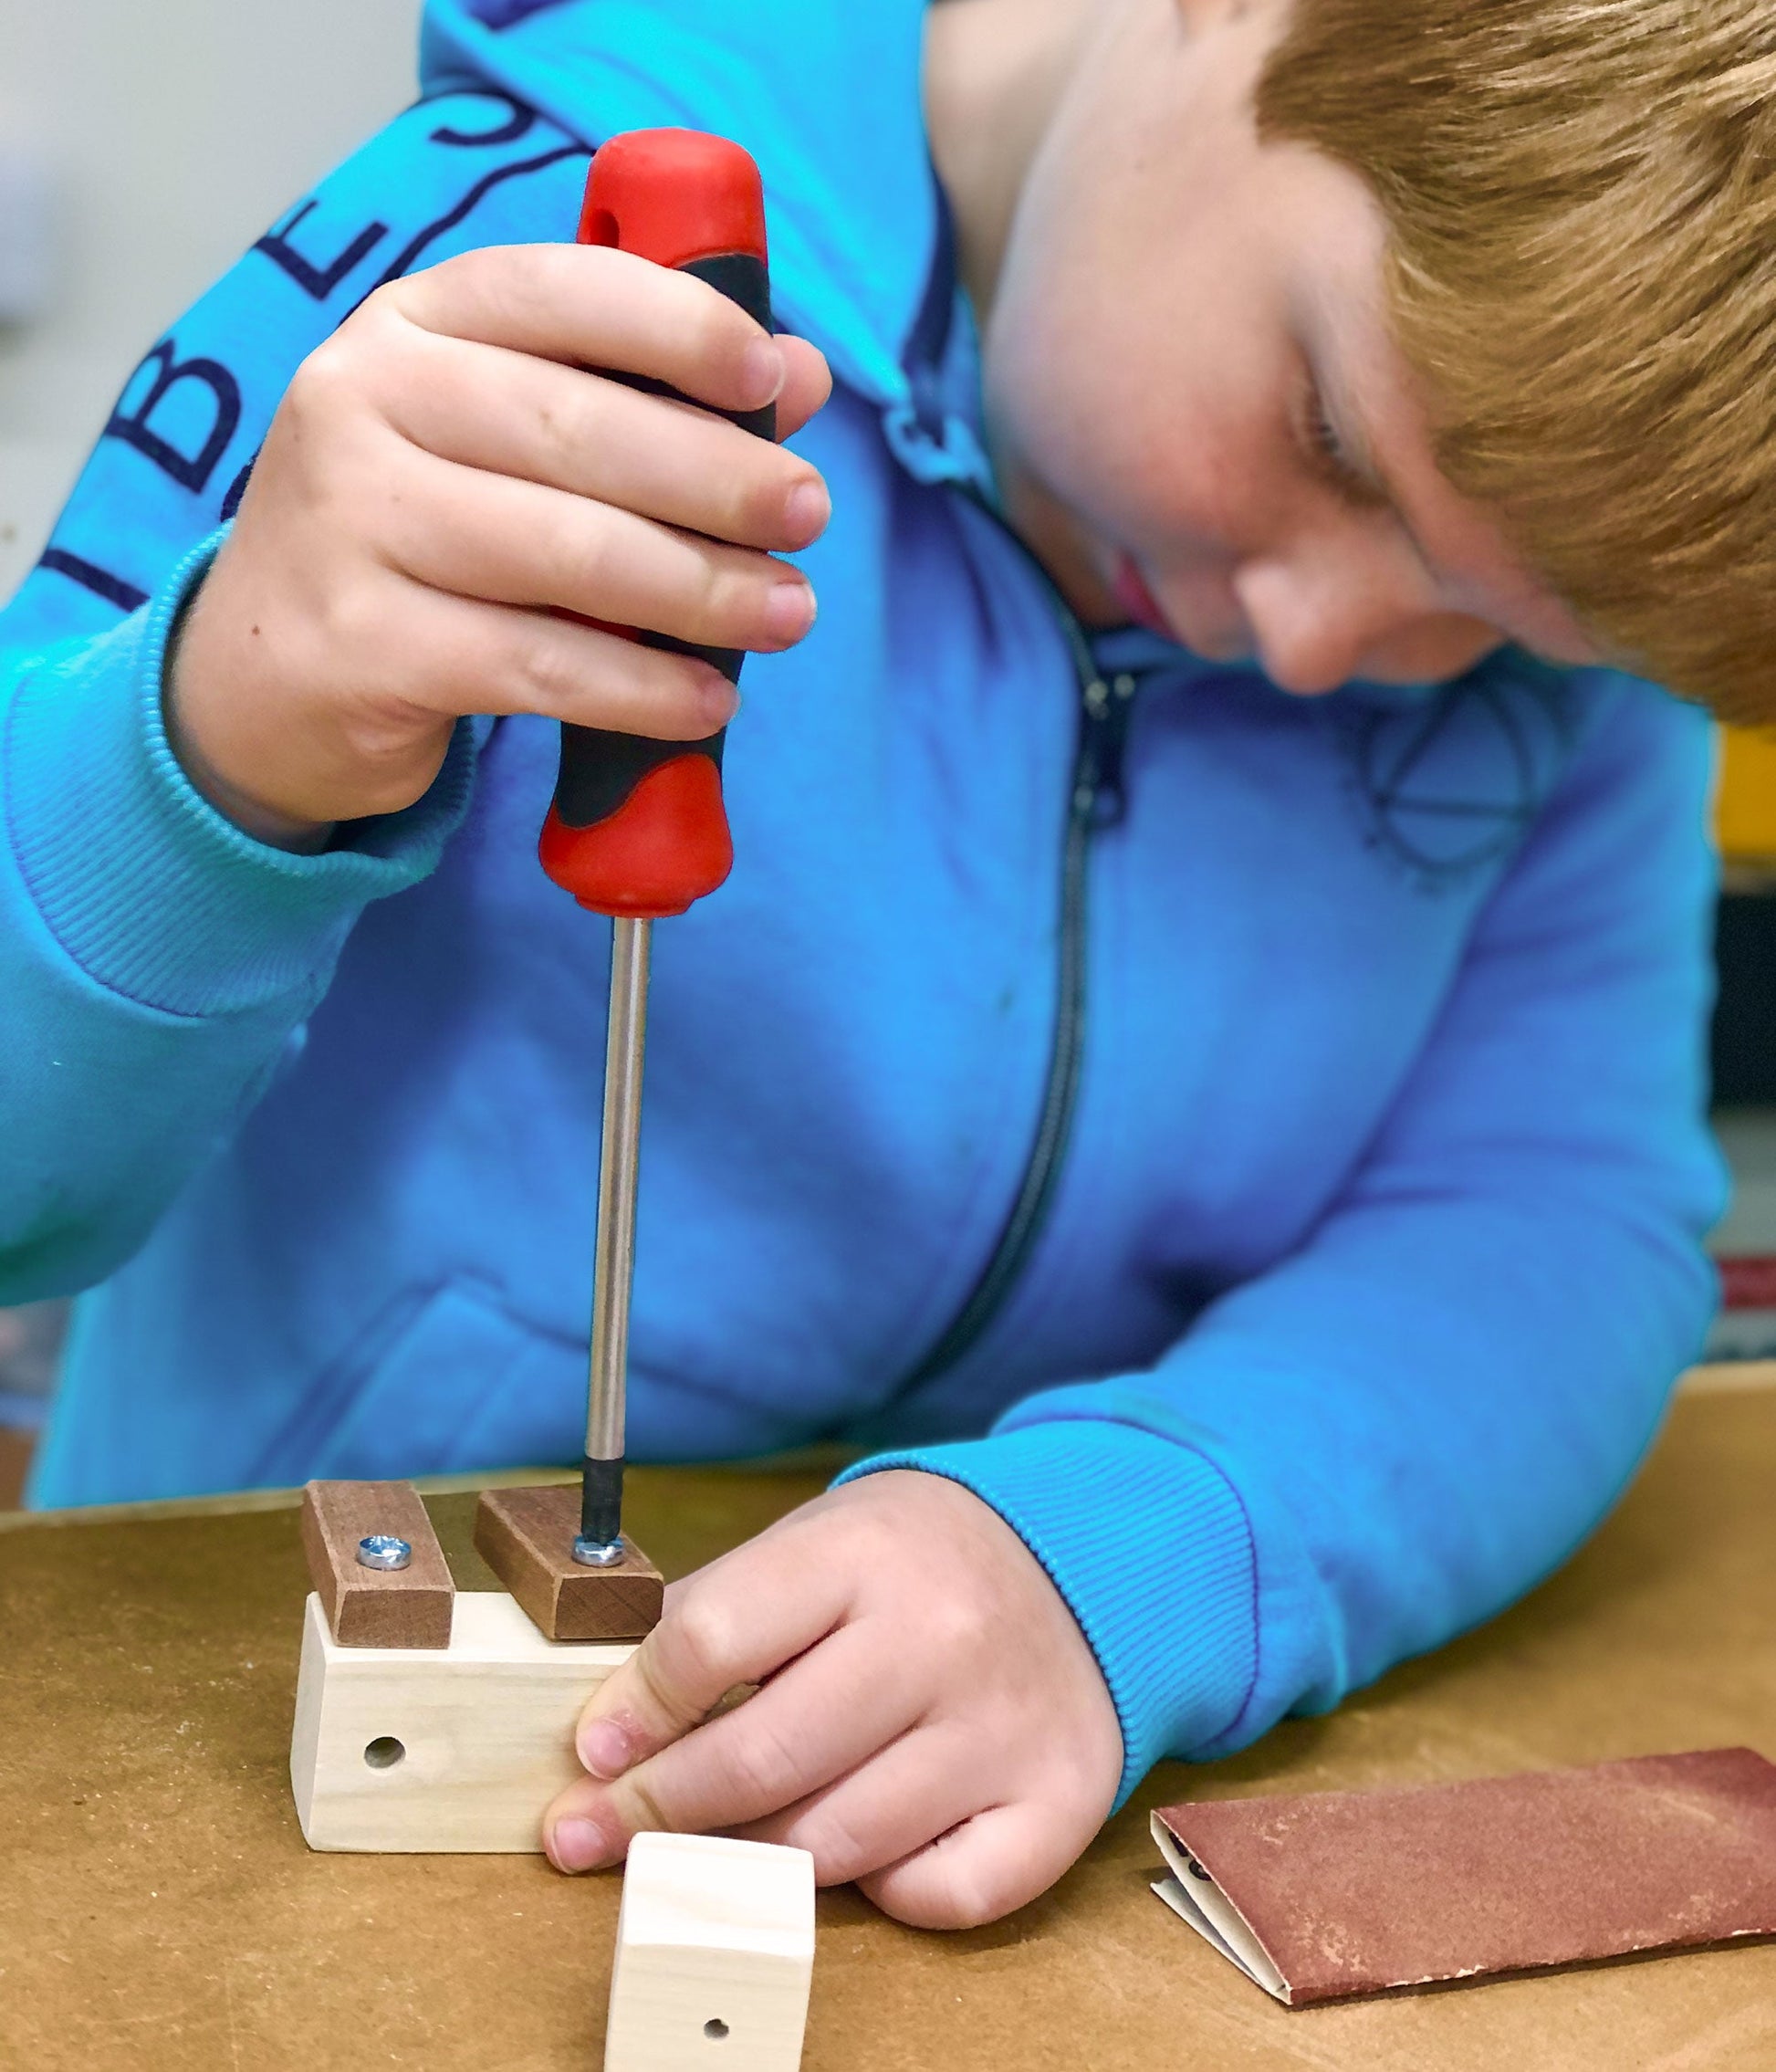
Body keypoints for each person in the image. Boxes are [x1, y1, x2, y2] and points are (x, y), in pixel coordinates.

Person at [0, 0, 1760, 1926]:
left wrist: (1131, 1550)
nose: (1326, 637)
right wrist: (210, 753)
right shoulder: (501, 268)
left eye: (1509, 623)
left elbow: (1545, 1213)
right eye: (1331, 429)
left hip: (965, 1869)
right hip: (241, 1758)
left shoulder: (1594, 579)